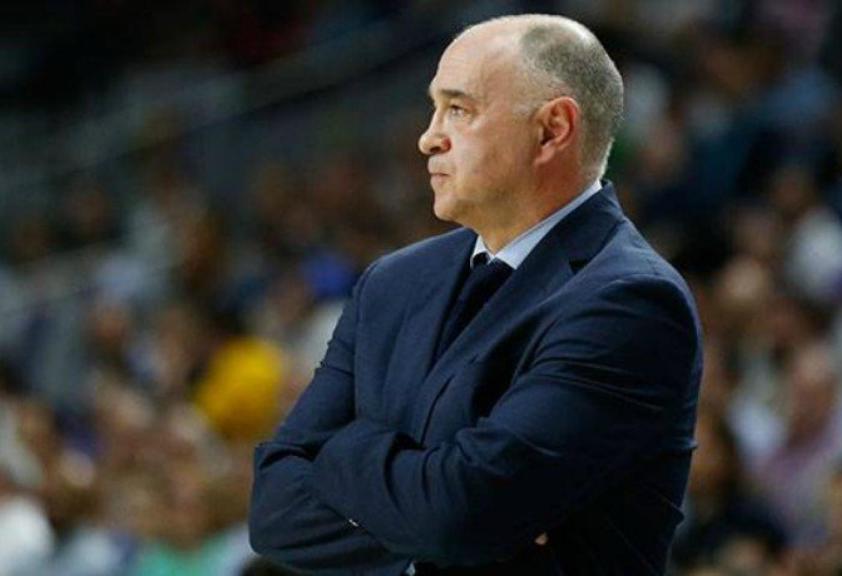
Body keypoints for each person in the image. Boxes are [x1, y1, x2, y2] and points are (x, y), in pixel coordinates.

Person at [247, 13, 703, 576]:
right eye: (434, 107)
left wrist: (344, 451)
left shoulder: (630, 300)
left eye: (458, 110)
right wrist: (431, 496)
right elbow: (272, 509)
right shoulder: (391, 282)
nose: (427, 136)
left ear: (552, 130)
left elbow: (461, 516)